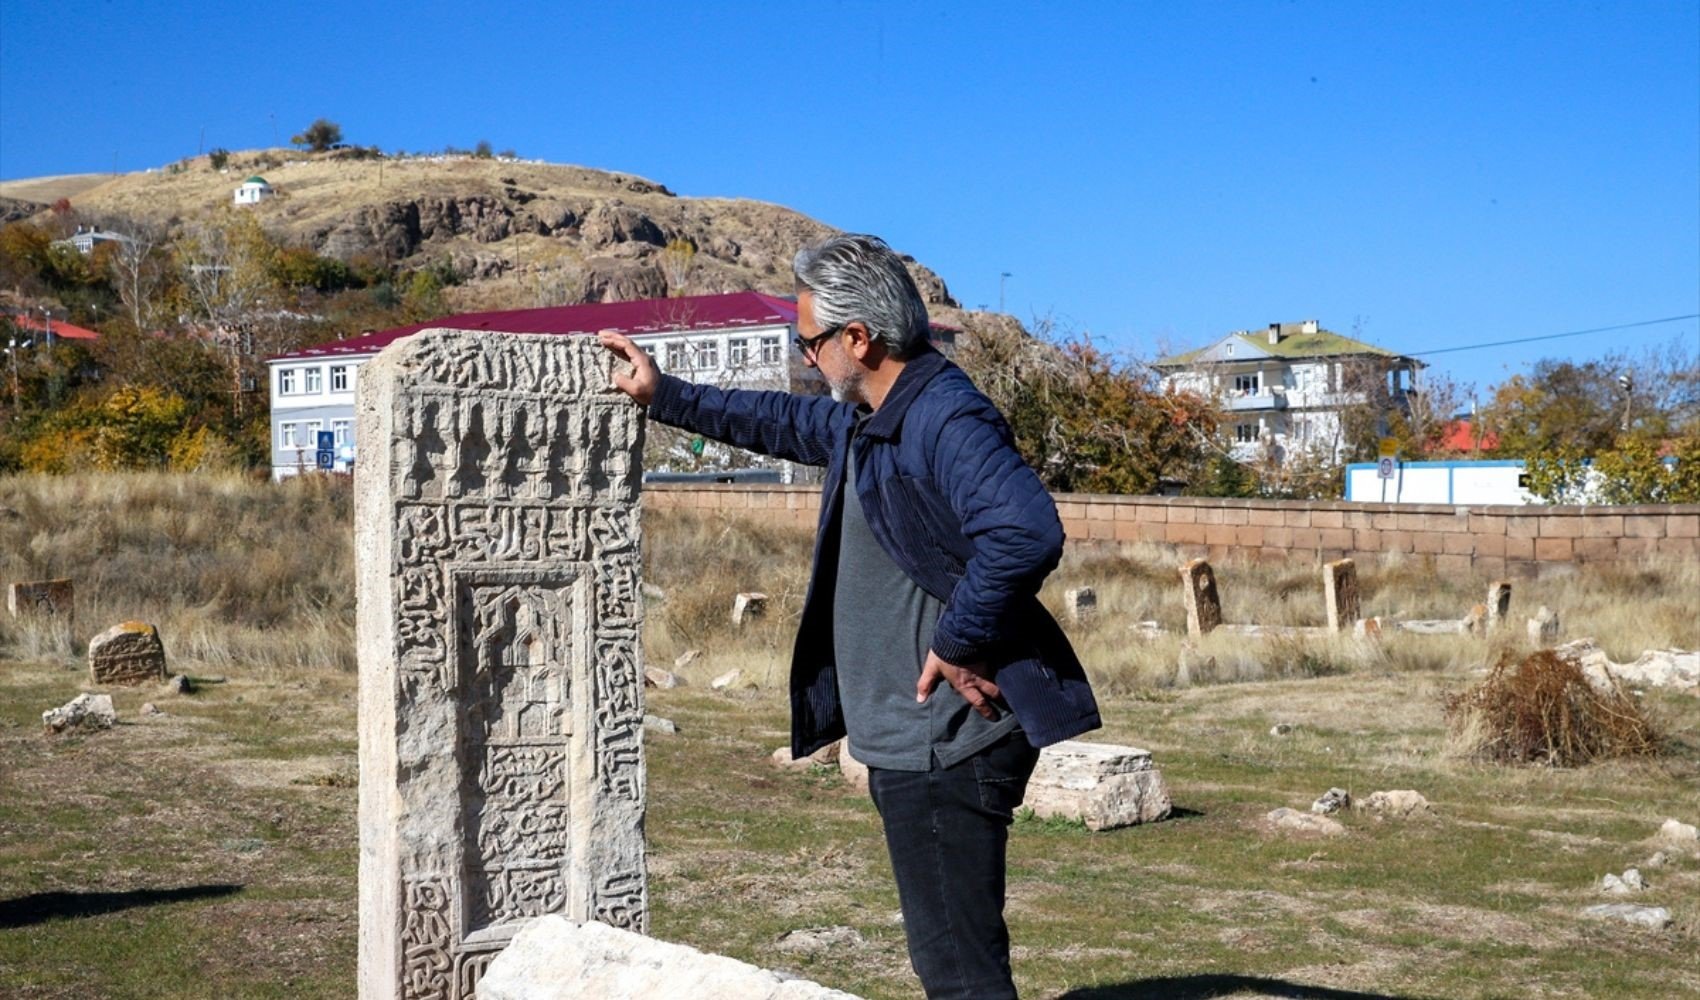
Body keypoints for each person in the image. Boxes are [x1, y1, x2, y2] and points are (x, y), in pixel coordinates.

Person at [599, 233, 1099, 999]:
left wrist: (959, 636)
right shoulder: (871, 417)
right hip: (911, 743)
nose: (806, 359)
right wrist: (664, 394)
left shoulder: (942, 417)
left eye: (811, 342)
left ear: (858, 338)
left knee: (959, 976)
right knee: (953, 962)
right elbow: (770, 421)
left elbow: (1027, 530)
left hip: (945, 743)